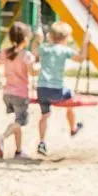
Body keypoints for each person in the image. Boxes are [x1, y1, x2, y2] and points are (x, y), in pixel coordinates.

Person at [0, 22, 36, 160]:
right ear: (26, 39)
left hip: (7, 94)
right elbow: (33, 72)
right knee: (20, 122)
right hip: (20, 94)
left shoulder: (5, 53)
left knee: (17, 123)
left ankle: (18, 151)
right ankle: (2, 137)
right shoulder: (26, 55)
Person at [35, 21, 88, 155]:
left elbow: (34, 51)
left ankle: (42, 142)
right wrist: (85, 43)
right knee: (70, 96)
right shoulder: (65, 50)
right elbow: (81, 58)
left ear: (50, 36)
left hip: (41, 90)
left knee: (45, 116)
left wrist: (37, 39)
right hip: (56, 92)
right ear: (66, 38)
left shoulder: (44, 48)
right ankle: (73, 128)